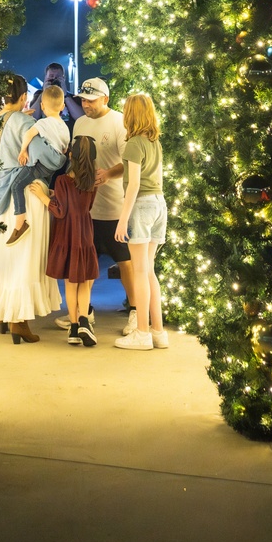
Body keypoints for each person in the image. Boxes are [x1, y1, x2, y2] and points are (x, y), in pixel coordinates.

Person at [0, 74, 59, 343]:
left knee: (3, 256)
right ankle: (19, 320)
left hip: (0, 195)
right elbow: (43, 155)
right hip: (25, 195)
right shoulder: (25, 122)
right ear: (24, 97)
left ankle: (2, 314)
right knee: (25, 257)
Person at [69, 77, 137, 333]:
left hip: (113, 206)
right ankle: (82, 313)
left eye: (91, 100)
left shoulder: (119, 122)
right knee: (85, 262)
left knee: (124, 260)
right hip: (86, 208)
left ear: (105, 99)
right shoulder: (80, 124)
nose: (86, 105)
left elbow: (129, 162)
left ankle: (135, 311)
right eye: (83, 100)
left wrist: (108, 174)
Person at [30, 135, 98, 347]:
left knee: (70, 283)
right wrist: (56, 194)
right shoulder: (92, 182)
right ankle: (86, 321)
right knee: (85, 282)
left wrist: (43, 196)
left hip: (67, 235)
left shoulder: (62, 180)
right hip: (85, 234)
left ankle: (75, 328)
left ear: (71, 155)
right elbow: (85, 206)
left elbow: (60, 211)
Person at [114, 92, 168, 351]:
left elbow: (134, 184)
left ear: (130, 114)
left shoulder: (134, 143)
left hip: (142, 206)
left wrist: (122, 220)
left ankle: (142, 333)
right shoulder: (154, 142)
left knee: (139, 271)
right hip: (159, 204)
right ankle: (158, 332)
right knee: (149, 271)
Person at [7, 84, 70, 244]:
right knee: (44, 181)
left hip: (39, 164)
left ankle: (20, 224)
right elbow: (65, 148)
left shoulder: (43, 123)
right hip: (55, 165)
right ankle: (47, 190)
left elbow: (29, 133)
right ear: (62, 106)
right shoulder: (64, 127)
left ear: (42, 105)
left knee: (16, 186)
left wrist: (23, 151)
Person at [30, 62, 84, 128]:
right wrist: (44, 93)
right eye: (51, 76)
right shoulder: (38, 95)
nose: (54, 79)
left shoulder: (73, 98)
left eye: (58, 77)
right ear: (45, 78)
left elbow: (81, 118)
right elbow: (32, 117)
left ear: (64, 79)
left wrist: (65, 95)